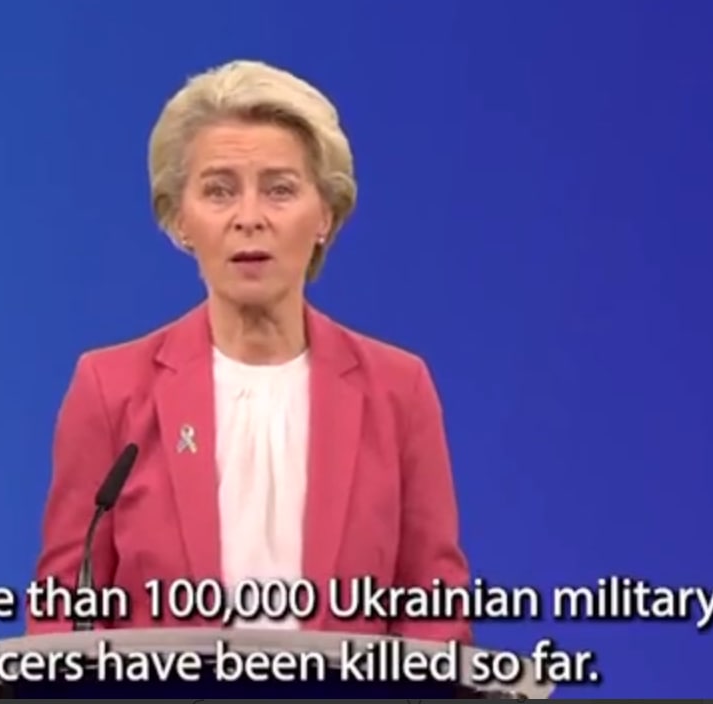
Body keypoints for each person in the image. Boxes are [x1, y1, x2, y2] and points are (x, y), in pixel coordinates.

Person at [28, 59, 472, 645]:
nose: (249, 218)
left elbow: (434, 611)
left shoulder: (398, 390)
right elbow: (64, 611)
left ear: (325, 214)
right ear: (179, 219)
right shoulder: (111, 389)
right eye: (219, 191)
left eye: (280, 190)